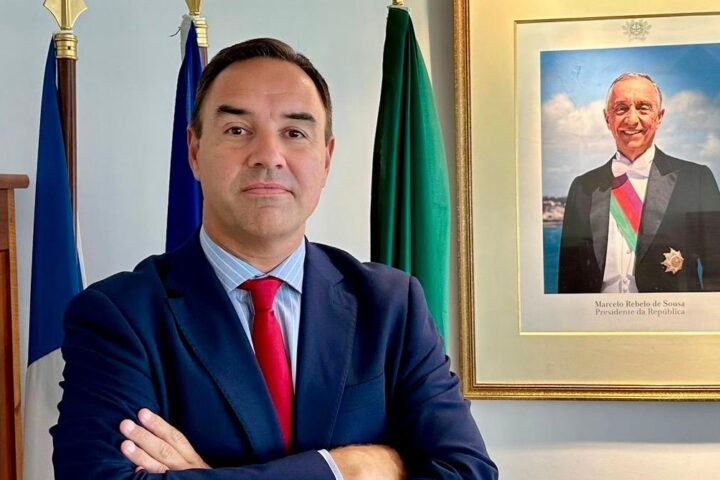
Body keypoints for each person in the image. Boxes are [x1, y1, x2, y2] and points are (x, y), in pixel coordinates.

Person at [50, 38, 498, 479]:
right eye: (237, 130)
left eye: (294, 133)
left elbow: (468, 472)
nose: (267, 156)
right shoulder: (118, 316)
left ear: (326, 158)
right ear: (194, 151)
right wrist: (346, 468)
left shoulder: (392, 305)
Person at [558, 72, 720, 293]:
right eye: (621, 109)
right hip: (599, 316)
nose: (632, 119)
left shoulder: (697, 180)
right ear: (607, 118)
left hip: (670, 315)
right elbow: (568, 283)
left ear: (659, 117)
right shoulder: (582, 187)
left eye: (643, 108)